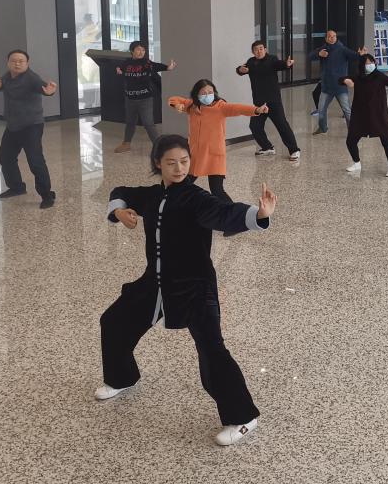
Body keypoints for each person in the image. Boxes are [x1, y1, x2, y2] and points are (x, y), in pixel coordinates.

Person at [97, 135, 278, 446]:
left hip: (195, 287)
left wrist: (259, 215)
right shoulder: (152, 195)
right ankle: (121, 377)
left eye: (184, 161)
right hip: (154, 283)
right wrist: (119, 212)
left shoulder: (196, 198)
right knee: (113, 322)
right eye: (171, 163)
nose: (179, 168)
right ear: (158, 164)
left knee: (212, 350)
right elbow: (120, 192)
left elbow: (223, 212)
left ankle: (244, 417)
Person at [167, 80, 266, 202]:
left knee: (217, 190)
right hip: (196, 155)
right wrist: (177, 105)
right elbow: (173, 99)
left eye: (210, 92)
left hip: (215, 155)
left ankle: (232, 211)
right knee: (181, 184)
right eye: (204, 93)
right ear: (196, 95)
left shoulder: (221, 107)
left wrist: (256, 110)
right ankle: (170, 204)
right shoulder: (191, 106)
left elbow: (238, 108)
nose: (207, 95)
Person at [0, 49, 58, 209]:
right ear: (8, 63)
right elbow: (0, 85)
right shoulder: (7, 76)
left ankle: (47, 195)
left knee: (35, 161)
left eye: (21, 61)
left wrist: (50, 91)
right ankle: (17, 187)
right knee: (6, 157)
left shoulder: (31, 78)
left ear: (27, 63)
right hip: (13, 125)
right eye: (13, 61)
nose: (17, 64)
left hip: (31, 125)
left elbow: (43, 88)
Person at [340, 55, 388, 177]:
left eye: (371, 62)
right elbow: (341, 79)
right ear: (362, 65)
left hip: (378, 115)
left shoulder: (379, 76)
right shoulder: (358, 77)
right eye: (367, 63)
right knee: (350, 141)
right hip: (360, 115)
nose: (370, 65)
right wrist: (345, 80)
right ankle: (357, 163)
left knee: (386, 140)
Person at [236, 40, 301, 161]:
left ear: (265, 50)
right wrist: (240, 70)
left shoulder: (272, 59)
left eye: (261, 49)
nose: (259, 51)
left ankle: (294, 150)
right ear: (253, 52)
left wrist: (287, 64)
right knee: (254, 126)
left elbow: (280, 64)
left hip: (273, 101)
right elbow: (240, 70)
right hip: (259, 103)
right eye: (256, 49)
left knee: (282, 125)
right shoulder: (251, 62)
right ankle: (267, 147)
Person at [114, 41, 176, 153]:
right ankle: (126, 144)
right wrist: (118, 69)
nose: (141, 52)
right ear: (132, 51)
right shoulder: (127, 63)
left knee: (148, 124)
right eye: (138, 49)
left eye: (143, 50)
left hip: (145, 99)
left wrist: (167, 67)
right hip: (130, 99)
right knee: (130, 122)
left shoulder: (146, 63)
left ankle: (158, 147)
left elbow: (156, 66)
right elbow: (120, 67)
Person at [310, 30, 366, 135]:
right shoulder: (323, 49)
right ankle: (323, 128)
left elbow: (355, 56)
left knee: (347, 110)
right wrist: (318, 54)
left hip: (340, 87)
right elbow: (310, 56)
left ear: (336, 37)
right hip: (326, 88)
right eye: (330, 37)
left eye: (334, 36)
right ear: (326, 38)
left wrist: (360, 54)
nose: (332, 38)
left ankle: (353, 131)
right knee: (321, 110)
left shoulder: (342, 49)